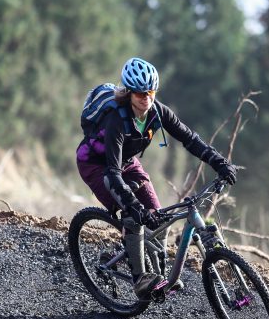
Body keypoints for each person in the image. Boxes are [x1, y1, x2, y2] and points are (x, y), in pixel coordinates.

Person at [76, 57, 238, 300]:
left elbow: (189, 139)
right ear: (129, 93)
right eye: (140, 93)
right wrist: (134, 206)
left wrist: (219, 162)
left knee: (158, 215)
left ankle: (155, 273)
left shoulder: (158, 112)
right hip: (97, 166)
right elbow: (112, 173)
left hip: (126, 163)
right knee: (134, 215)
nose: (146, 98)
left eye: (150, 92)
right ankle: (141, 279)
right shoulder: (116, 120)